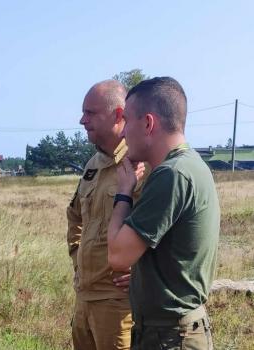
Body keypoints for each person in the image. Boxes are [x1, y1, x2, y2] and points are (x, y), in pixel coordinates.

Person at [107, 77, 219, 349]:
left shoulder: (172, 175)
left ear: (148, 123)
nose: (122, 134)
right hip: (172, 331)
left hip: (171, 336)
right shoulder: (190, 166)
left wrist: (124, 191)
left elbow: (118, 255)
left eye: (127, 121)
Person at [67, 80, 145, 350]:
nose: (81, 120)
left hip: (118, 302)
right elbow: (75, 216)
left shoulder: (142, 164)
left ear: (119, 115)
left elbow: (165, 229)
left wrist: (144, 271)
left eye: (90, 113)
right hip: (85, 297)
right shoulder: (93, 164)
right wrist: (79, 259)